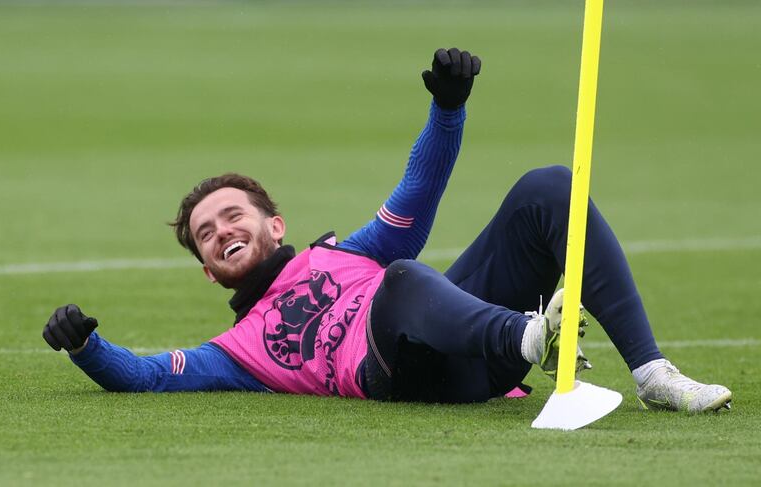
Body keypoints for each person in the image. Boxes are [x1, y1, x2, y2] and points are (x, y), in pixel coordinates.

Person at [43, 48, 732, 413]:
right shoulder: (236, 350)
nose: (220, 229)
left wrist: (447, 108)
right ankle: (531, 336)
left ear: (273, 224)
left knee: (547, 187)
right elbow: (150, 376)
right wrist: (87, 346)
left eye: (232, 214)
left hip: (472, 343)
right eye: (205, 232)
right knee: (399, 285)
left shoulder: (346, 254)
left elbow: (416, 191)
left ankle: (652, 373)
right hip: (414, 376)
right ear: (208, 268)